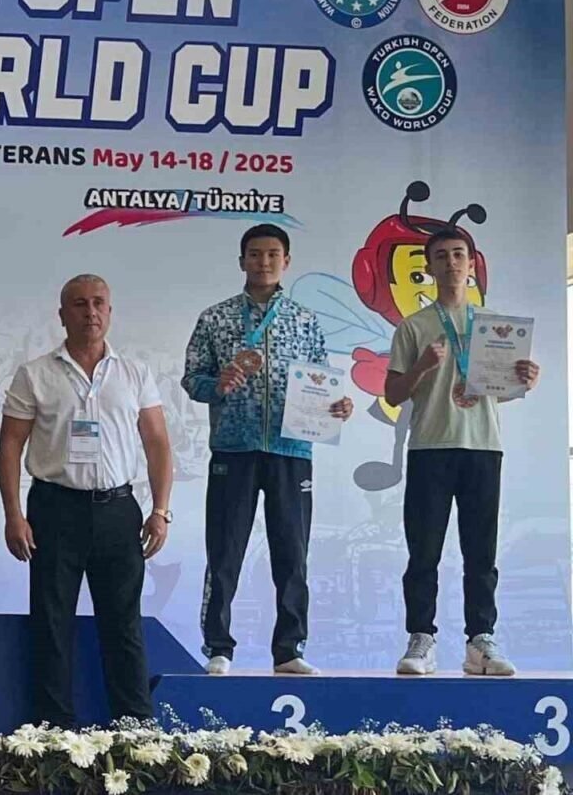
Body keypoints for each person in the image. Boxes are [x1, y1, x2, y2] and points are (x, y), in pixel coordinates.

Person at [0, 274, 172, 727]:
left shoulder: (135, 373)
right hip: (54, 510)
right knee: (52, 622)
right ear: (62, 315)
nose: (89, 312)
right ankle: (53, 731)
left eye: (98, 303)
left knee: (124, 623)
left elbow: (157, 443)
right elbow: (10, 448)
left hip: (119, 511)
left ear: (110, 312)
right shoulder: (34, 374)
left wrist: (160, 511)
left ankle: (135, 728)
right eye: (79, 304)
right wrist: (14, 515)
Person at [182, 224, 352, 675]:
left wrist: (338, 405)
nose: (263, 262)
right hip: (233, 449)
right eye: (255, 254)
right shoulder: (215, 318)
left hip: (291, 450)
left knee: (292, 553)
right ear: (242, 261)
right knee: (225, 552)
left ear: (286, 261)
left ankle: (289, 649)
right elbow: (192, 379)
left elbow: (322, 382)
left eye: (273, 254)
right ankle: (218, 647)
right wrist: (216, 385)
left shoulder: (304, 320)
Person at [384, 227, 540, 676]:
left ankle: (480, 640)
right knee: (424, 552)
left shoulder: (496, 328)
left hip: (482, 447)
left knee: (481, 552)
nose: (451, 263)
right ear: (429, 266)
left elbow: (500, 390)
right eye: (441, 256)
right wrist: (422, 366)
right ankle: (421, 638)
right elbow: (393, 394)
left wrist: (524, 378)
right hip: (430, 447)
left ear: (471, 264)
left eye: (458, 255)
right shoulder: (414, 327)